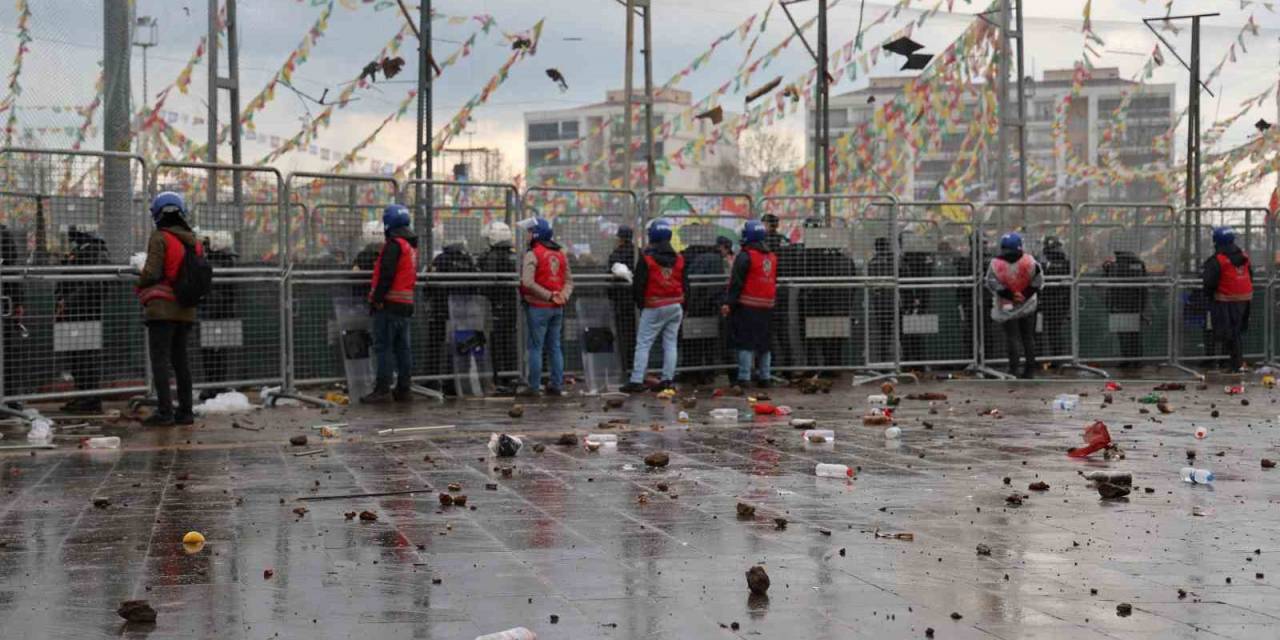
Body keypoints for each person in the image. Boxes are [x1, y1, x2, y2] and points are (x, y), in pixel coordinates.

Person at [136, 192, 203, 425]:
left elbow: (152, 272)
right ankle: (186, 412)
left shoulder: (160, 237)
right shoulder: (194, 241)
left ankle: (165, 412)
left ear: (157, 214)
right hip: (186, 309)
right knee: (181, 361)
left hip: (162, 309)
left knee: (160, 360)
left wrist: (140, 280)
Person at [620, 219, 688, 393]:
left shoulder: (647, 259)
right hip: (675, 305)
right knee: (670, 344)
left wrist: (641, 305)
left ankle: (636, 380)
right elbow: (686, 284)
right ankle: (667, 379)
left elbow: (638, 285)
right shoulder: (679, 259)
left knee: (643, 343)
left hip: (654, 305)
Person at [362, 204, 419, 404]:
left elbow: (386, 275)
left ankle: (382, 389)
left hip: (389, 305)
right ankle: (404, 389)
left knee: (383, 347)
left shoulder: (393, 245)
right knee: (402, 348)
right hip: (405, 304)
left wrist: (376, 300)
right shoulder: (410, 246)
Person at [56, 226, 109, 413]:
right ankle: (82, 396)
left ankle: (91, 398)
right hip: (72, 311)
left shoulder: (95, 250)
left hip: (85, 312)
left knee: (86, 356)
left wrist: (68, 301)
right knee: (75, 355)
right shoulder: (82, 249)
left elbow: (93, 284)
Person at [519, 217, 573, 397]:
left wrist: (548, 295)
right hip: (557, 307)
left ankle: (534, 387)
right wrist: (560, 296)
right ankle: (556, 384)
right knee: (554, 347)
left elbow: (527, 282)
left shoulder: (532, 253)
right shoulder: (560, 254)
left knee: (535, 347)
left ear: (535, 234)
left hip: (538, 306)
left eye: (529, 232)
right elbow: (569, 282)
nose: (527, 235)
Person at [722, 220, 776, 389]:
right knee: (764, 343)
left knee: (745, 342)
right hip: (767, 306)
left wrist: (728, 303)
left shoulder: (745, 256)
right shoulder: (771, 256)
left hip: (747, 305)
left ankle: (744, 377)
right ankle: (765, 376)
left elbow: (736, 283)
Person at [984, 232, 1043, 379]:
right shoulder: (1030, 261)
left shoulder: (995, 263)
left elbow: (992, 283)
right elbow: (1038, 281)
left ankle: (1014, 370)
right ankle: (1030, 371)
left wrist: (1011, 295)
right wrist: (1024, 295)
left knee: (1012, 337)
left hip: (1007, 305)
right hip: (1028, 304)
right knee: (1028, 337)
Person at [1202, 226, 1254, 373]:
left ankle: (1234, 364)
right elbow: (1251, 275)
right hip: (1244, 299)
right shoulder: (1243, 256)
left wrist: (1209, 295)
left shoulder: (1218, 259)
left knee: (1227, 333)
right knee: (1235, 332)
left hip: (1225, 299)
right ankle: (1234, 363)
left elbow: (1209, 282)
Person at [477, 221, 518, 389]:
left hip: (497, 305)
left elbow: (487, 282)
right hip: (511, 304)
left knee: (498, 342)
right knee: (510, 341)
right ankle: (510, 376)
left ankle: (500, 377)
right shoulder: (514, 255)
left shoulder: (493, 257)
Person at [199, 230, 238, 398]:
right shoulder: (225, 261)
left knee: (212, 351)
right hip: (219, 311)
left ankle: (214, 385)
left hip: (212, 311)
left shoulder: (213, 262)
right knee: (218, 351)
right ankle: (217, 384)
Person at [1102, 243, 1148, 369]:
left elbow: (1112, 280)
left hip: (1120, 304)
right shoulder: (1138, 264)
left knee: (1124, 335)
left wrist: (1107, 269)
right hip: (1134, 304)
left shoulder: (1118, 266)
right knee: (1133, 334)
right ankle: (1134, 359)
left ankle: (1128, 359)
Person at [607, 226, 638, 372]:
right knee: (637, 336)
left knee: (623, 336)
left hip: (621, 300)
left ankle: (625, 367)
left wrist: (611, 296)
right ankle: (636, 367)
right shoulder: (638, 253)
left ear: (620, 238)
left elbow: (609, 279)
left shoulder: (616, 255)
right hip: (636, 300)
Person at [1037, 236, 1072, 360]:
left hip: (1045, 302)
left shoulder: (1044, 261)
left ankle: (1040, 359)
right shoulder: (1066, 262)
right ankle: (1057, 359)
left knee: (1040, 331)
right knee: (1055, 332)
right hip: (1060, 303)